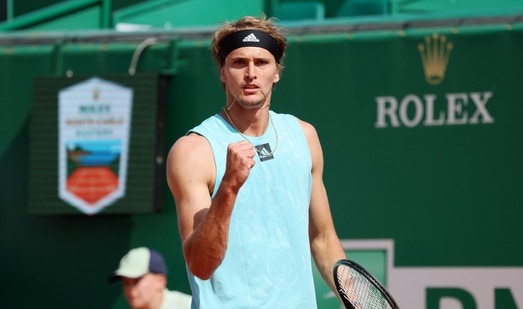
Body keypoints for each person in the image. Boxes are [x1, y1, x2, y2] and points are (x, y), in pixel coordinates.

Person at [166, 15, 347, 308]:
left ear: (277, 72)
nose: (251, 73)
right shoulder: (192, 151)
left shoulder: (304, 136)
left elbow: (323, 239)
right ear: (223, 73)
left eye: (261, 63)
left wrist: (359, 301)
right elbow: (200, 264)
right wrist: (229, 187)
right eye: (239, 63)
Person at [110, 247, 192, 309]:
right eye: (126, 283)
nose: (130, 289)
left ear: (160, 281)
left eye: (136, 280)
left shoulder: (190, 306)